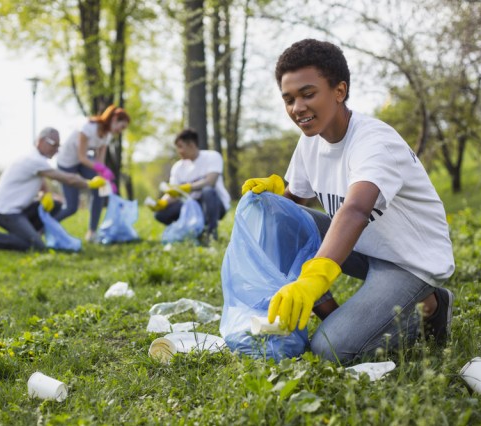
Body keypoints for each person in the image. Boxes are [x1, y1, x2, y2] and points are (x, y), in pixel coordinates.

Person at [241, 39, 455, 364]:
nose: (297, 107)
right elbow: (290, 208)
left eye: (308, 94)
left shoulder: (373, 141)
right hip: (364, 248)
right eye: (289, 99)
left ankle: (432, 307)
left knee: (329, 350)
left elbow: (355, 209)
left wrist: (313, 278)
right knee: (275, 216)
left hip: (408, 260)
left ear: (339, 91)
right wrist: (272, 196)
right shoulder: (310, 142)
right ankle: (335, 317)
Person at [0, 127, 106, 252]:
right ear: (41, 141)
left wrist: (45, 193)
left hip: (17, 211)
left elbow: (39, 180)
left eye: (59, 146)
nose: (57, 150)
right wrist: (89, 184)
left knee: (56, 205)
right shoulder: (33, 159)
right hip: (5, 212)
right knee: (36, 246)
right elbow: (67, 179)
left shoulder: (35, 159)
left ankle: (29, 234)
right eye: (54, 145)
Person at [54, 104, 130, 242]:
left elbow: (99, 161)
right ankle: (48, 225)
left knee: (101, 188)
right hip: (67, 163)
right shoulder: (88, 128)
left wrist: (105, 179)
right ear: (114, 119)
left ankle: (92, 232)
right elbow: (82, 156)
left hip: (82, 163)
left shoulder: (107, 136)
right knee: (71, 207)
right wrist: (102, 169)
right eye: (122, 126)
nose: (121, 131)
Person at [149, 128, 231, 242]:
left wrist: (187, 187)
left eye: (180, 146)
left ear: (191, 145)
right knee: (160, 214)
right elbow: (173, 192)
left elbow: (210, 181)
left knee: (208, 191)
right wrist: (162, 203)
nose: (179, 151)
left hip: (214, 204)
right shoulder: (178, 167)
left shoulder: (212, 157)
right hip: (190, 206)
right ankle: (189, 231)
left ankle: (211, 234)